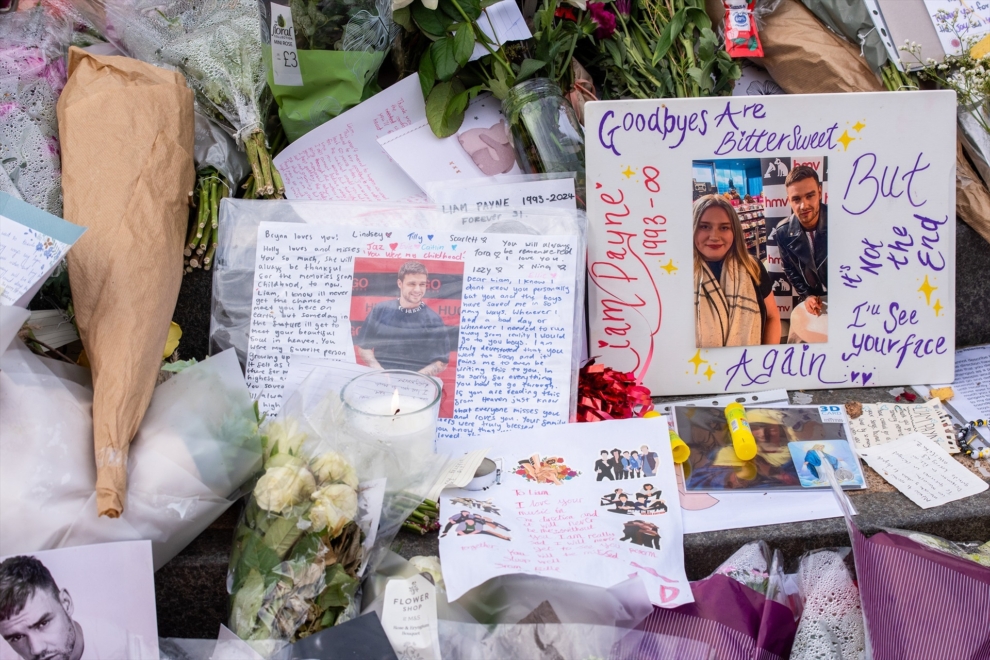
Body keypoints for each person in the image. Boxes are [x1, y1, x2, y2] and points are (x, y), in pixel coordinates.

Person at [0, 556, 130, 660]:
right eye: (16, 637)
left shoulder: (125, 650)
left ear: (66, 603)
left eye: (43, 623)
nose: (36, 649)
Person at [693, 195, 781, 347]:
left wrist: (766, 356)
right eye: (705, 226)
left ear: (735, 232)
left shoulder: (752, 267)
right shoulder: (677, 278)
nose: (714, 236)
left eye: (724, 227)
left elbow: (772, 317)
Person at [355, 261, 451, 376]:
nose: (417, 290)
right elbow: (364, 347)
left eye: (422, 284)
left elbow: (441, 362)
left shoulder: (434, 320)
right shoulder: (380, 310)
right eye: (412, 284)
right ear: (400, 283)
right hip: (381, 383)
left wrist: (414, 379)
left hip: (417, 387)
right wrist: (380, 371)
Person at [773, 166, 827, 321]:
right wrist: (807, 295)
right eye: (796, 199)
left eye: (810, 196)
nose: (803, 206)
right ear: (789, 200)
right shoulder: (783, 232)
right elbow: (789, 269)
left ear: (820, 192)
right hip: (816, 303)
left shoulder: (840, 222)